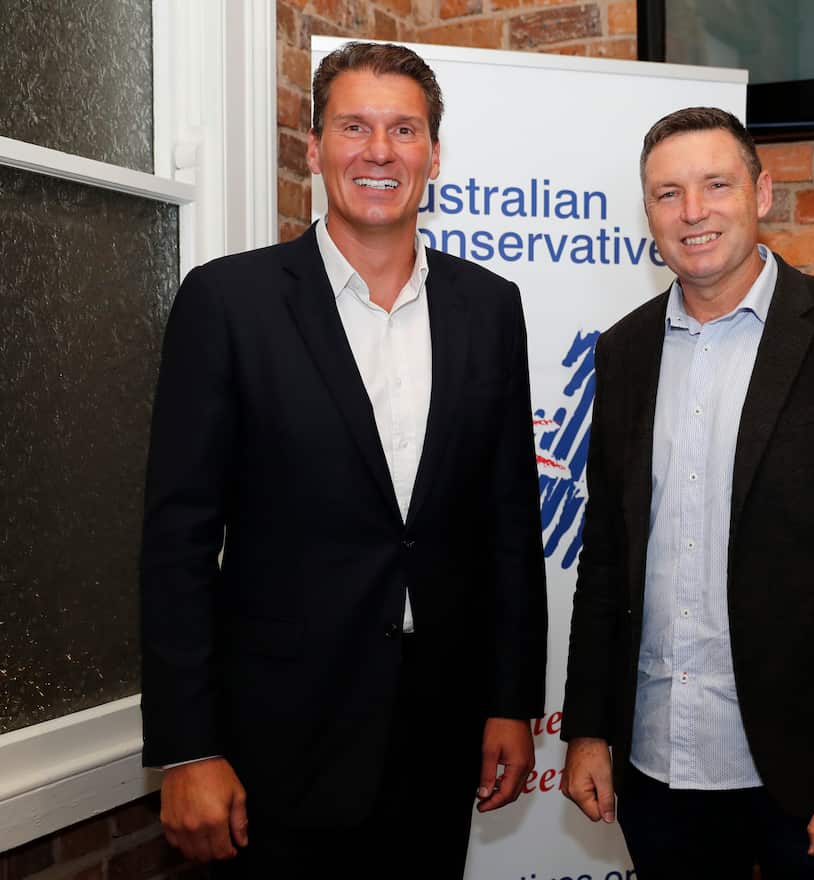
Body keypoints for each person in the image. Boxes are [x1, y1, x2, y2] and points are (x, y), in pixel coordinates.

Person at [140, 41, 547, 877]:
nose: (379, 151)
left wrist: (512, 703)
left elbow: (510, 524)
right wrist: (187, 748)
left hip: (439, 734)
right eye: (354, 126)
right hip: (275, 745)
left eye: (404, 129)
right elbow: (177, 542)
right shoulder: (228, 302)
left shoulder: (491, 309)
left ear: (434, 154)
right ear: (315, 147)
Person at [560, 107, 814, 879]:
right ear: (648, 214)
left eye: (715, 185)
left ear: (762, 194)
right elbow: (606, 556)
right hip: (657, 764)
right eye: (667, 194)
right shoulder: (624, 351)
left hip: (812, 777)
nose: (692, 212)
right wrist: (589, 729)